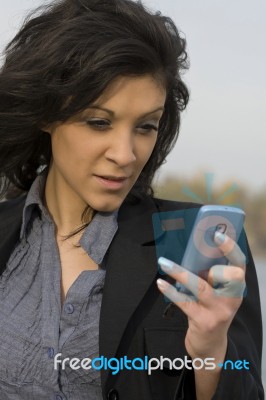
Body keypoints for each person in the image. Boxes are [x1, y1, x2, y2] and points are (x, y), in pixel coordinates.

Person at [0, 0, 263, 399]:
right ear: (46, 114)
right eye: (99, 122)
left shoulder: (199, 248)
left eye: (145, 126)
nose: (125, 154)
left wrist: (210, 351)